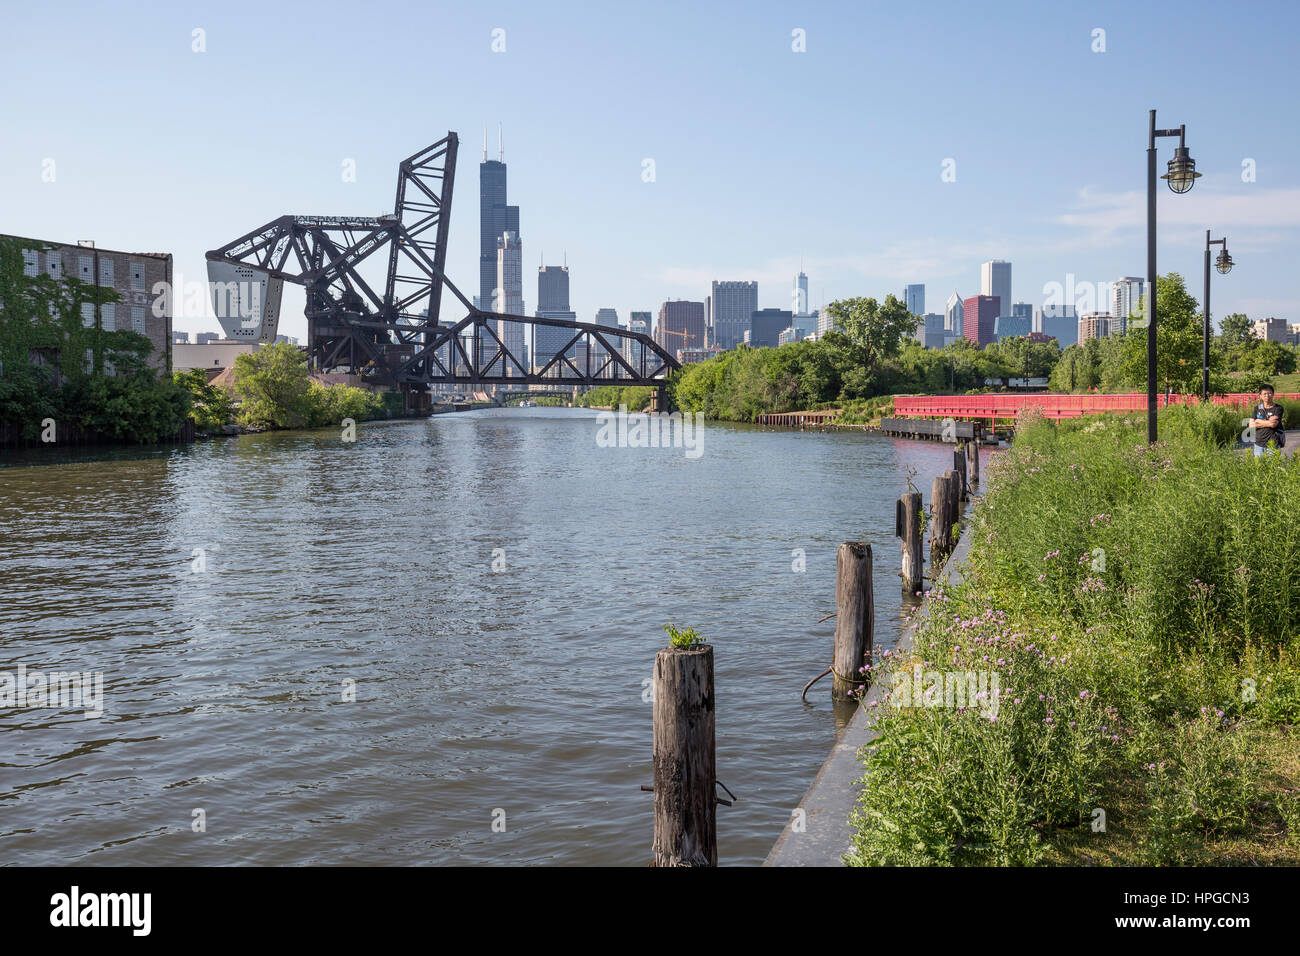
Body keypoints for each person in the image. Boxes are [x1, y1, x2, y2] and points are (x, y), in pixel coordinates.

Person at [1250, 384, 1285, 458]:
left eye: (1269, 393)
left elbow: (1273, 424)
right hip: (1258, 443)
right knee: (1258, 467)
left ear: (1273, 394)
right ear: (1260, 396)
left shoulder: (1278, 408)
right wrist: (1268, 422)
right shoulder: (1257, 408)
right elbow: (1251, 425)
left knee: (1272, 467)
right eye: (1264, 394)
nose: (1267, 396)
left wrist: (1258, 420)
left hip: (1273, 443)